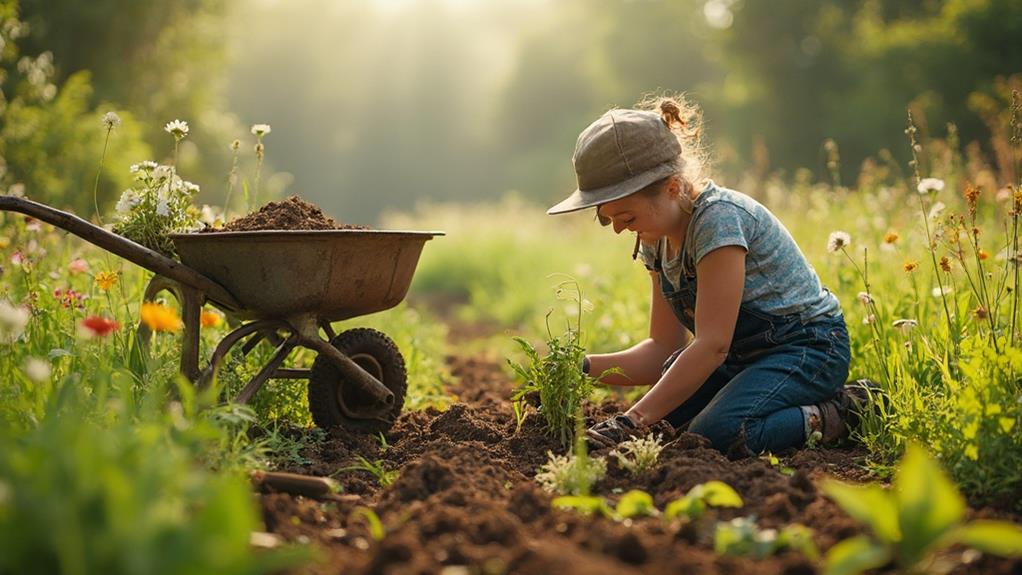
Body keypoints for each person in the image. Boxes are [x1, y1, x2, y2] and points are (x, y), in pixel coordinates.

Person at [547, 95, 871, 456]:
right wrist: (581, 366)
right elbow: (662, 350)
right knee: (669, 420)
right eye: (609, 220)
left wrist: (631, 420)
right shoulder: (655, 238)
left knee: (718, 433)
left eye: (627, 218)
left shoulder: (718, 221)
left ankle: (848, 408)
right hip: (742, 359)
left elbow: (712, 345)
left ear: (671, 188)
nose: (620, 231)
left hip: (807, 348)